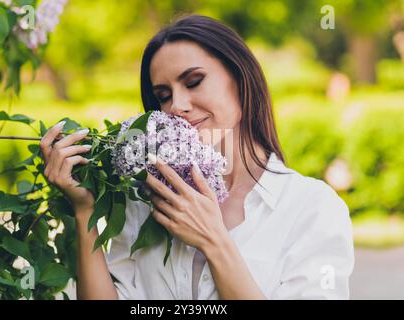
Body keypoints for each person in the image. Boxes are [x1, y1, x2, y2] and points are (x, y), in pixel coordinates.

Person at [40, 14, 354, 300]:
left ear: (241, 80)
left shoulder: (312, 209)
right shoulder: (145, 198)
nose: (177, 105)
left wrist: (214, 241)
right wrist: (85, 212)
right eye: (163, 96)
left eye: (193, 82)